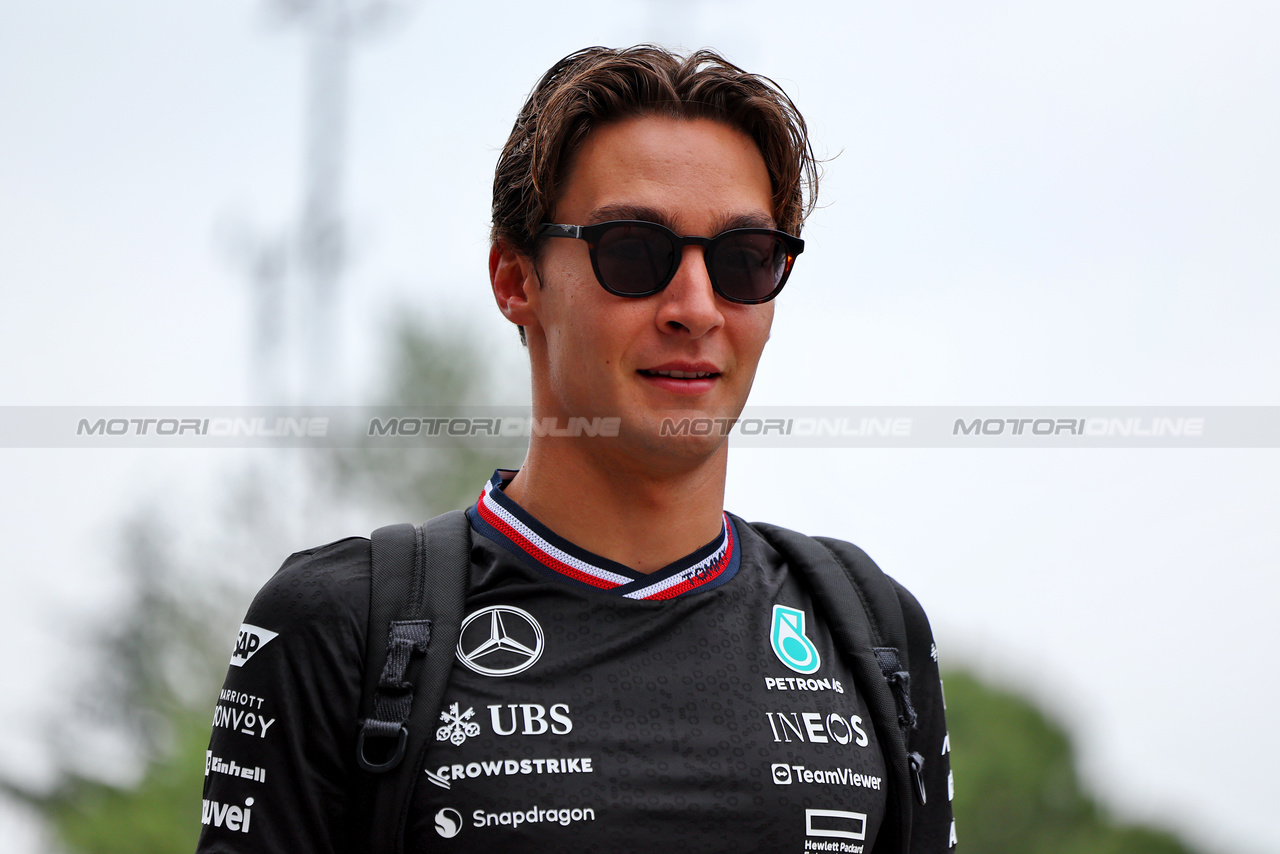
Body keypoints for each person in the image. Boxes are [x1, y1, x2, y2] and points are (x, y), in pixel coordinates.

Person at [197, 45, 954, 853]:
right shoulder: (342, 625)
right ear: (515, 279)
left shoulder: (871, 630)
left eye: (744, 260)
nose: (695, 307)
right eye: (633, 251)